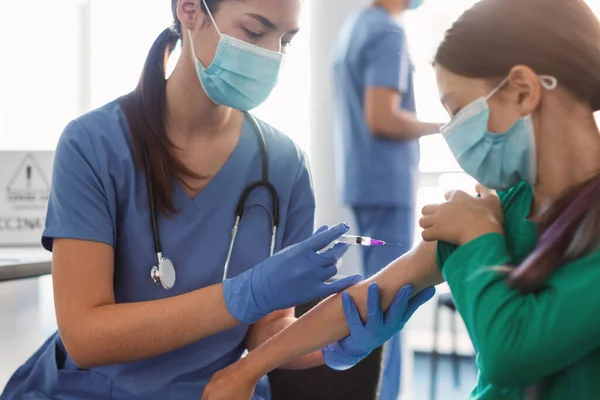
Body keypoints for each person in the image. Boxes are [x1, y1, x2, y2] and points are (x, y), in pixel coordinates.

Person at [0, 1, 434, 399]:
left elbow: (269, 330)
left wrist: (336, 347)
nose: (272, 54)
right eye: (254, 31)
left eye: (285, 40)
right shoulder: (93, 145)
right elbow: (85, 336)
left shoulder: (284, 167)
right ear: (190, 10)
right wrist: (242, 294)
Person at [201, 0, 600, 399]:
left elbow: (508, 356)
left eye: (460, 111)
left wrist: (480, 236)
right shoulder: (508, 203)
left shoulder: (485, 219)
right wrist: (246, 370)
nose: (453, 133)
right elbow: (372, 292)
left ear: (525, 90)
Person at [332, 0, 441, 397]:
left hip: (365, 181)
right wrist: (445, 125)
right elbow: (382, 117)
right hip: (387, 184)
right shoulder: (388, 32)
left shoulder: (356, 27)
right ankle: (384, 393)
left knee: (378, 295)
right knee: (390, 302)